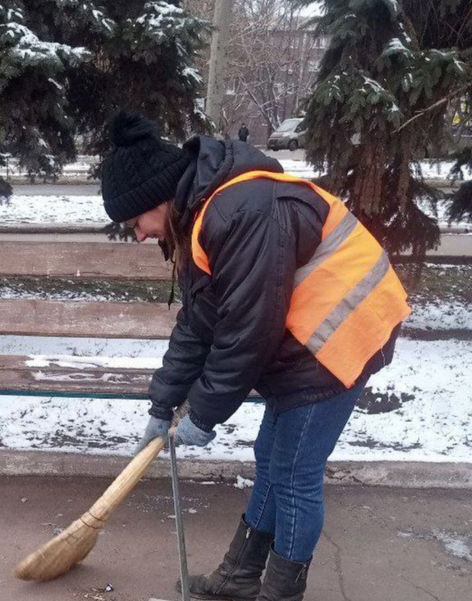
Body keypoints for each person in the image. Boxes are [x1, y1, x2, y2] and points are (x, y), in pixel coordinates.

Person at [100, 111, 410, 601]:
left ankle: (281, 593)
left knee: (294, 473)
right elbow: (200, 322)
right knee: (271, 457)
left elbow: (247, 329)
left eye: (135, 221)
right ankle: (240, 575)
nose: (137, 234)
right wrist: (164, 403)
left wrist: (203, 412)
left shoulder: (239, 211)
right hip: (303, 338)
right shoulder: (204, 216)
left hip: (341, 335)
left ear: (157, 199)